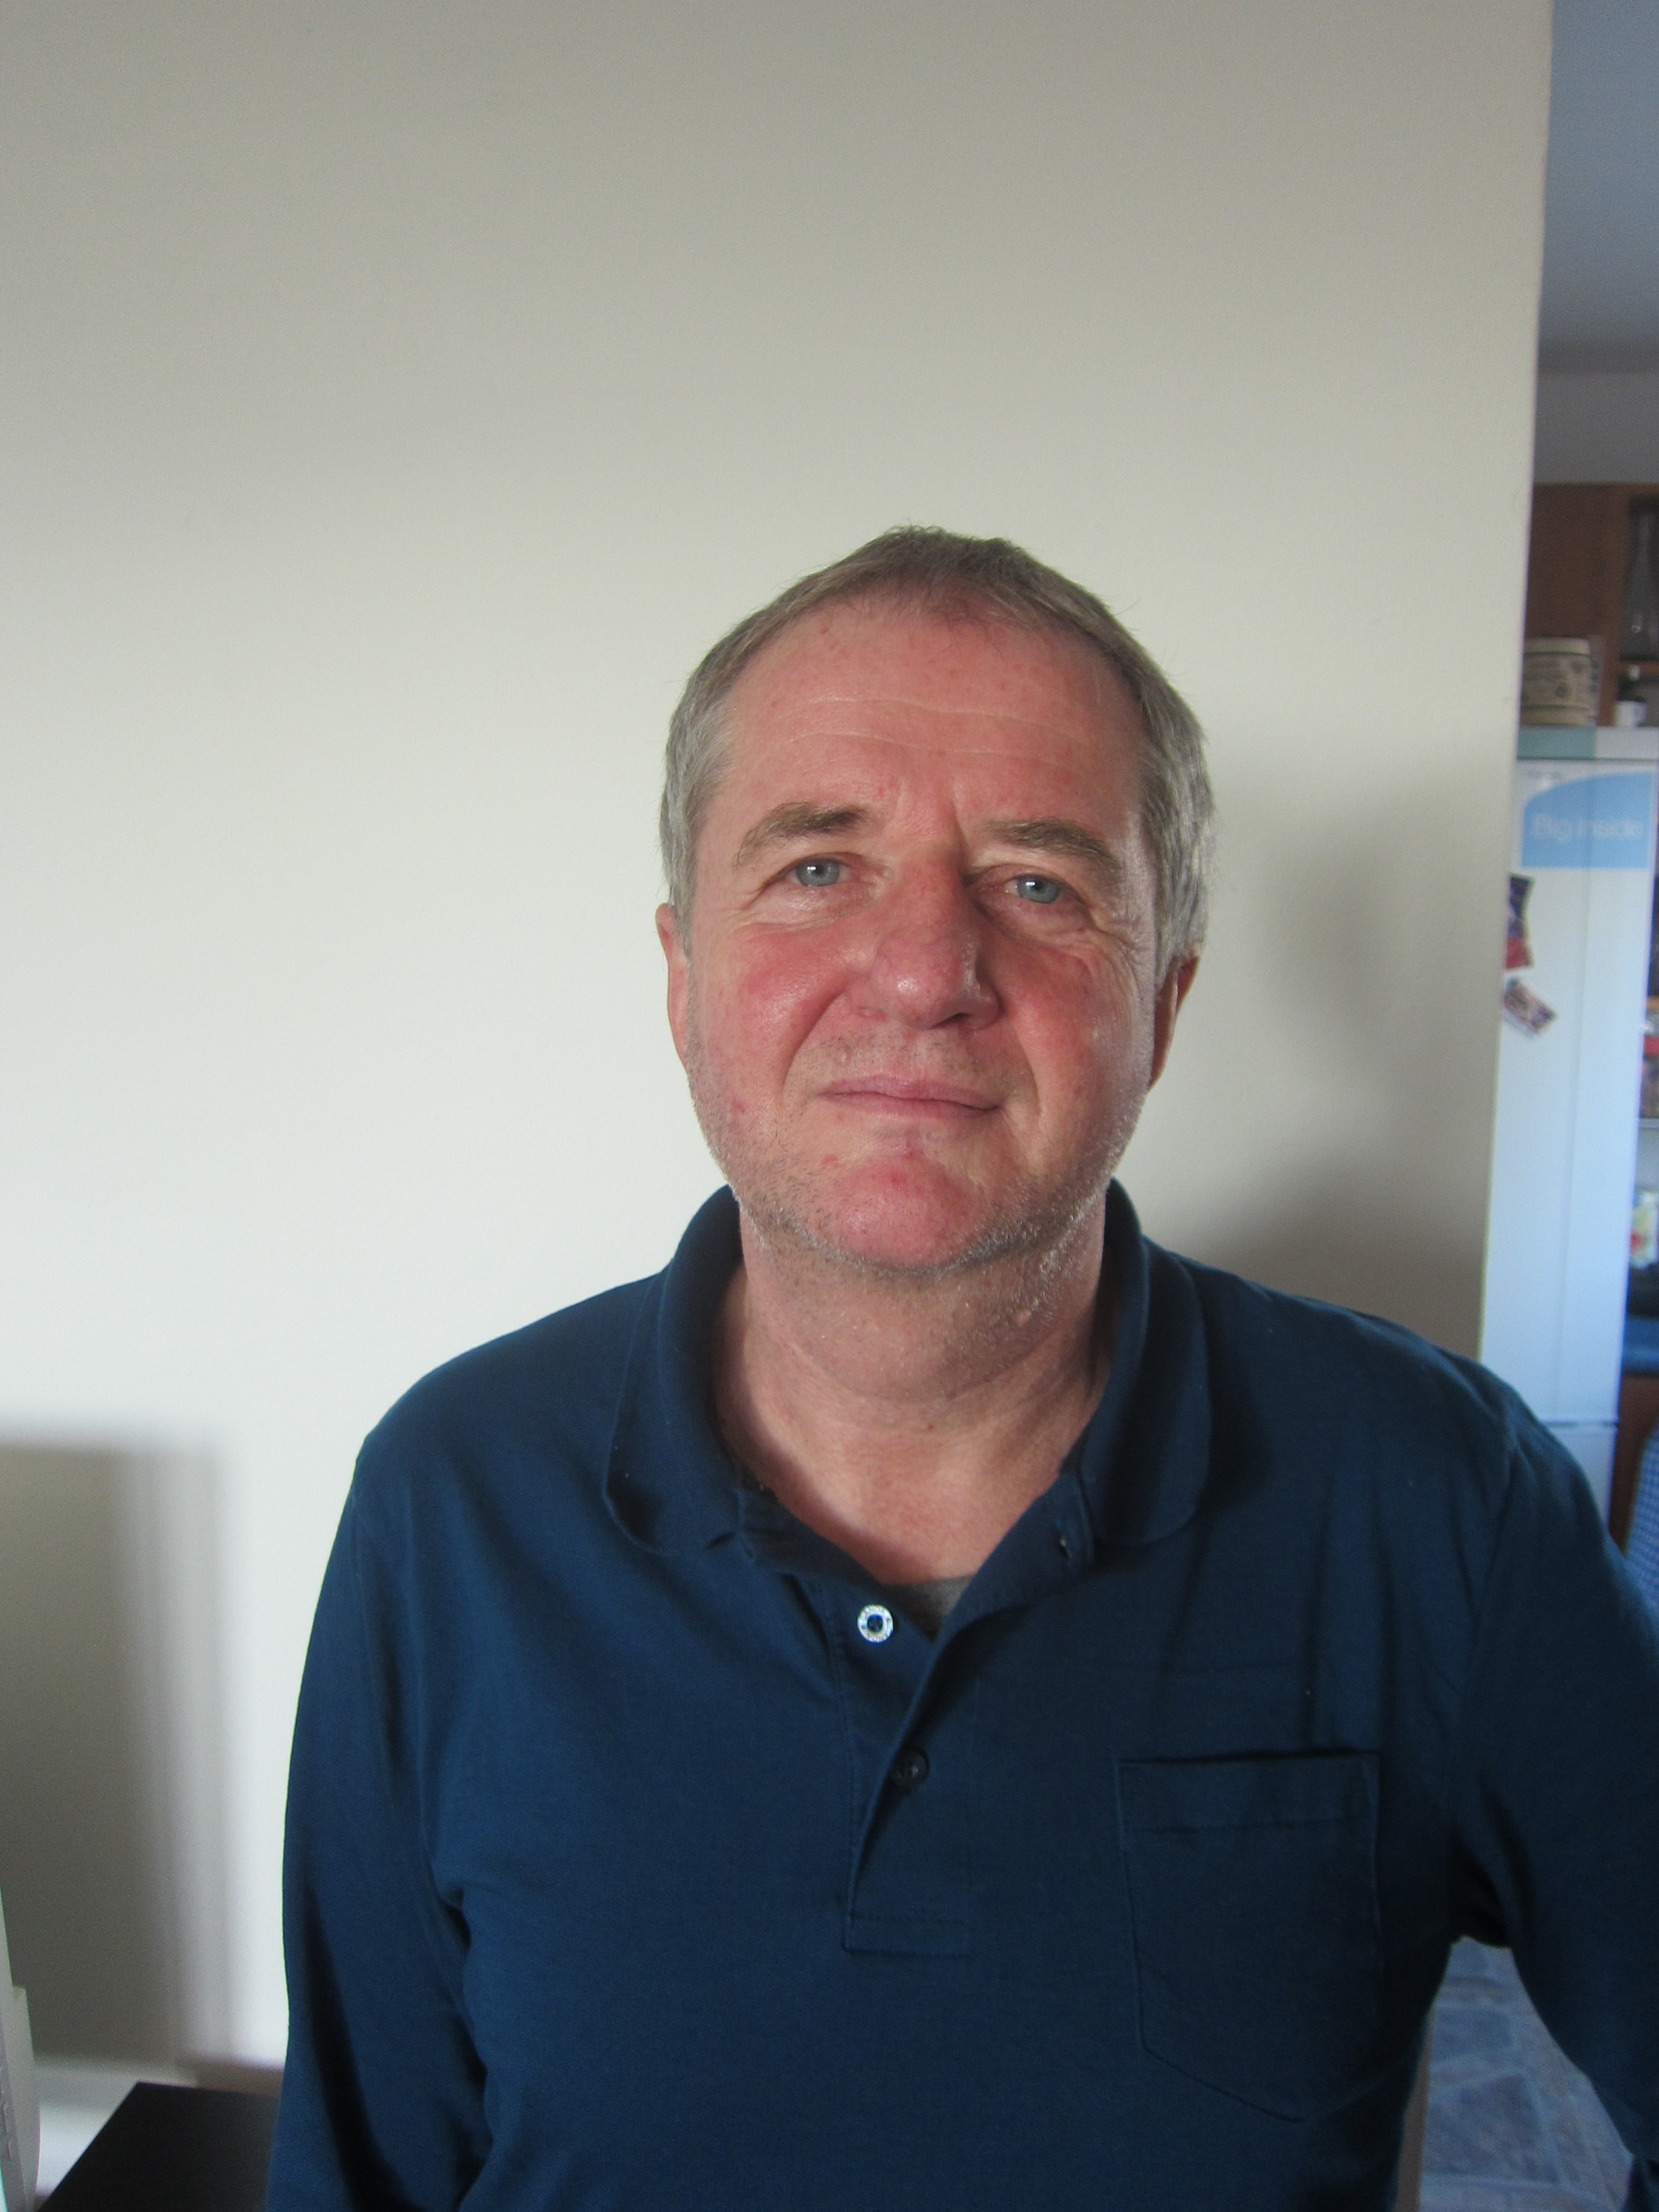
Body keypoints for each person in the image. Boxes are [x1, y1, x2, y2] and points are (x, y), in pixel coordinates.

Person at [266, 528, 1659, 2211]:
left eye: (1039, 883)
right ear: (684, 980)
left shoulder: (1446, 1502)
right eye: (817, 868)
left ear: (1161, 1006)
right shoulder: (450, 1502)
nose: (927, 972)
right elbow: (361, 2173)